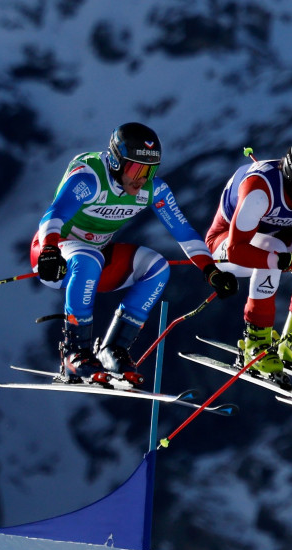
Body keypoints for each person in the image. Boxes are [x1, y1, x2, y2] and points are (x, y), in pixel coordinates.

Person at [30, 122, 238, 385]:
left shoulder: (154, 190)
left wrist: (211, 271)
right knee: (87, 260)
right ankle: (74, 354)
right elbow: (54, 215)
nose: (142, 178)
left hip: (95, 262)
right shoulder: (89, 179)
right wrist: (49, 249)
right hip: (52, 258)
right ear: (116, 162)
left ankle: (112, 350)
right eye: (136, 168)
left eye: (150, 170)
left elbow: (184, 233)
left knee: (158, 267)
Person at [204, 141, 292, 378]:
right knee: (274, 248)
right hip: (226, 244)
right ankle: (255, 342)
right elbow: (235, 250)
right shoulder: (260, 191)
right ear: (291, 176)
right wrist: (283, 261)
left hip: (274, 240)